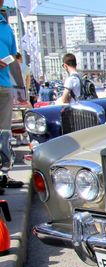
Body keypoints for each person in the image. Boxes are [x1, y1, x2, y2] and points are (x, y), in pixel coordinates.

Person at [0, 0, 24, 190]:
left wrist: (21, 88)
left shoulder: (6, 27)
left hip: (5, 87)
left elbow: (14, 59)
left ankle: (3, 175)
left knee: (4, 132)